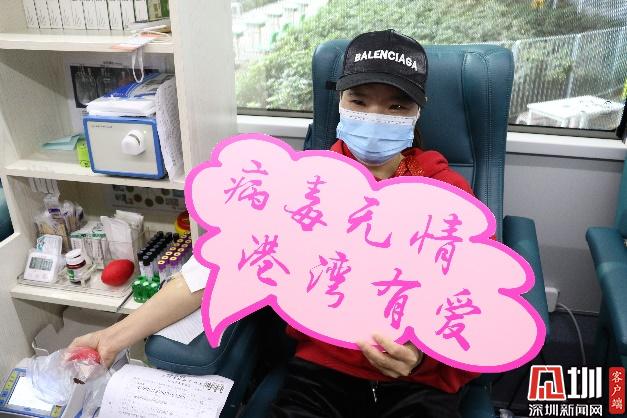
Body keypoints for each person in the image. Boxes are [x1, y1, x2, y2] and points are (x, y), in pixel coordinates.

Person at [70, 29, 481, 417]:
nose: (376, 118)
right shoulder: (301, 187)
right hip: (324, 372)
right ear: (340, 102)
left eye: (396, 106)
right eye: (359, 101)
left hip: (417, 380)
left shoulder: (448, 194)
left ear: (417, 111)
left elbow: (473, 305)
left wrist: (423, 356)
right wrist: (111, 339)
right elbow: (211, 272)